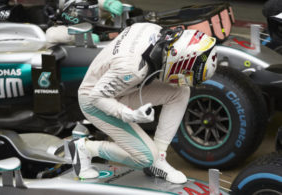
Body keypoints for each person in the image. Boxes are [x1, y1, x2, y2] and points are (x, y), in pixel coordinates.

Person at [70, 22, 217, 184]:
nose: (182, 78)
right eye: (185, 73)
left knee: (181, 91)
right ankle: (84, 148)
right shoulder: (133, 69)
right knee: (145, 157)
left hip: (121, 86)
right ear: (179, 58)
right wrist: (127, 114)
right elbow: (97, 97)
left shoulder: (155, 30)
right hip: (94, 101)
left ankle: (159, 159)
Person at [46, 0, 123, 44]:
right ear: (73, 13)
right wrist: (80, 37)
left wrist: (108, 3)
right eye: (87, 12)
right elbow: (52, 35)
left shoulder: (89, 11)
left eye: (93, 11)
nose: (92, 14)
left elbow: (95, 3)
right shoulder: (55, 30)